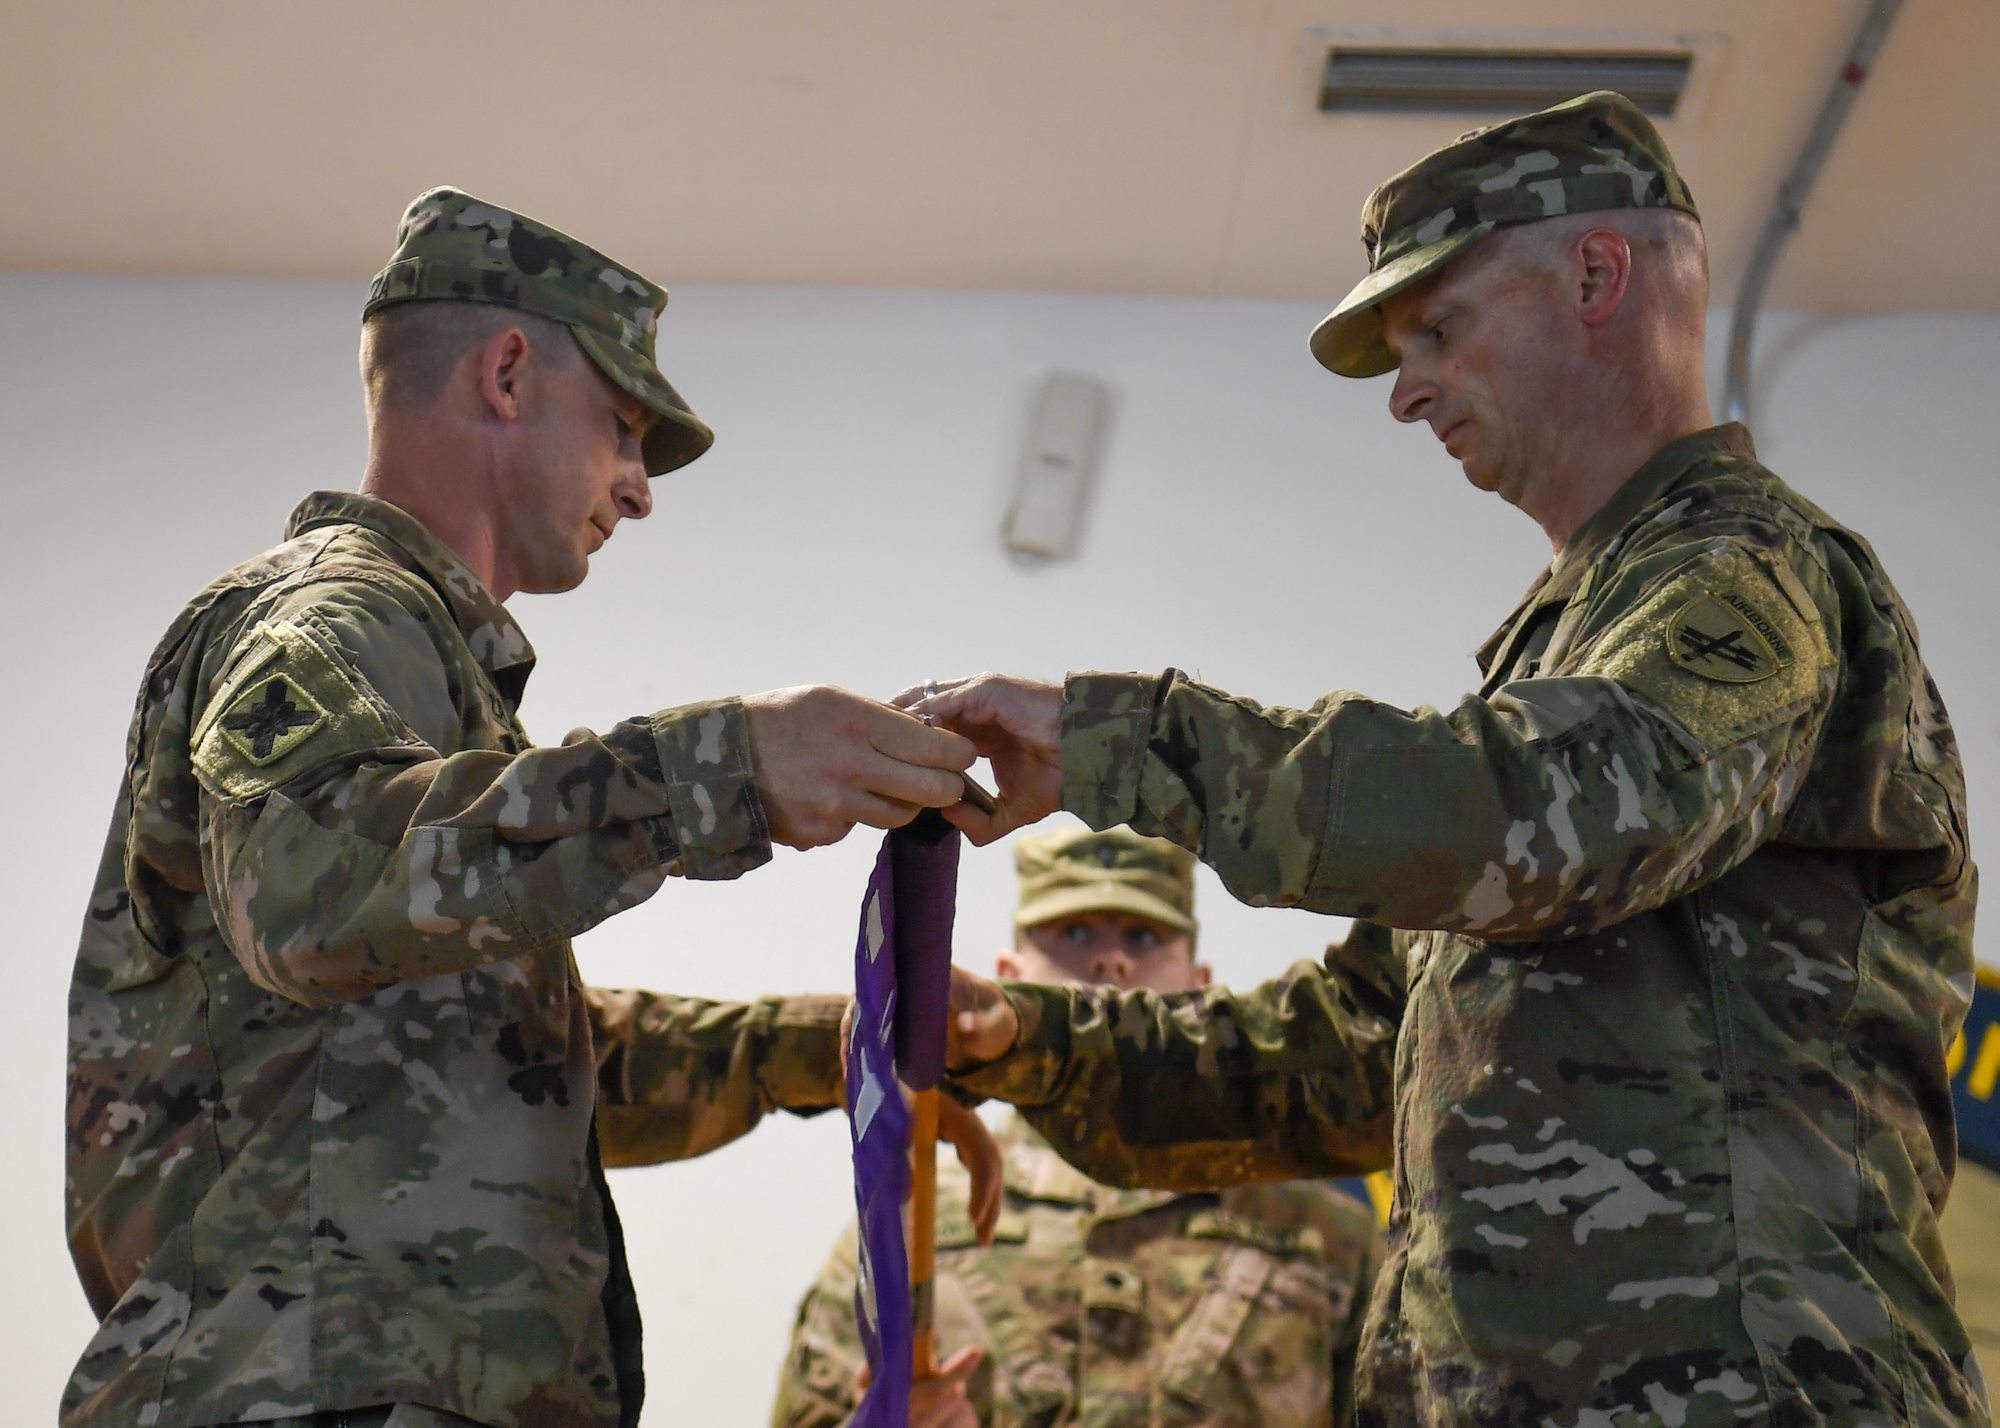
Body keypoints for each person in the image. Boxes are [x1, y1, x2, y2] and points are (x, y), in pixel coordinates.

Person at [907, 92, 1986, 1426]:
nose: (1407, 392)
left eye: (1440, 329)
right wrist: (1020, 1035)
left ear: (1596, 276)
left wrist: (1116, 740)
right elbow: (1346, 1052)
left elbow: (1555, 810)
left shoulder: (1752, 577)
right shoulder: (1567, 655)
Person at [64, 187, 983, 1428]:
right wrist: (723, 765)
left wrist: (826, 1045)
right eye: (623, 429)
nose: (638, 488)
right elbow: (310, 886)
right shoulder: (325, 615)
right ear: (505, 373)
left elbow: (490, 1061)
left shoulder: (424, 676)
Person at [770, 826, 1383, 1428]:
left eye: (1143, 935)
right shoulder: (909, 1222)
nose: (1109, 958)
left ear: (1204, 990)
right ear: (1008, 975)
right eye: (1073, 931)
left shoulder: (1324, 1236)